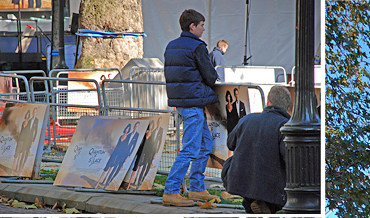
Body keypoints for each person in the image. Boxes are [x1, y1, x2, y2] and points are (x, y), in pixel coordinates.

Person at [163, 9, 219, 206]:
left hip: (182, 103)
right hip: (194, 103)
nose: (204, 29)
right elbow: (211, 76)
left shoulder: (171, 46)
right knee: (190, 149)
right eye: (201, 25)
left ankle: (196, 188)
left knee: (204, 144)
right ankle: (171, 190)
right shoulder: (197, 46)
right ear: (192, 26)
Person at [222, 86, 291, 214]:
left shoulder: (247, 119)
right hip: (268, 186)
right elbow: (289, 157)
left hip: (239, 181)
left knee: (233, 160)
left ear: (268, 103)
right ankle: (267, 204)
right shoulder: (286, 126)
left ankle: (251, 203)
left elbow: (230, 143)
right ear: (287, 108)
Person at [95, 124, 131, 189]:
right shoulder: (121, 136)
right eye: (126, 128)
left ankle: (105, 181)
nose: (127, 130)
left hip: (120, 154)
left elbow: (126, 148)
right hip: (115, 152)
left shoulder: (128, 138)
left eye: (128, 129)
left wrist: (126, 157)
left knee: (112, 167)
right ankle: (98, 183)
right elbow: (117, 144)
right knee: (107, 167)